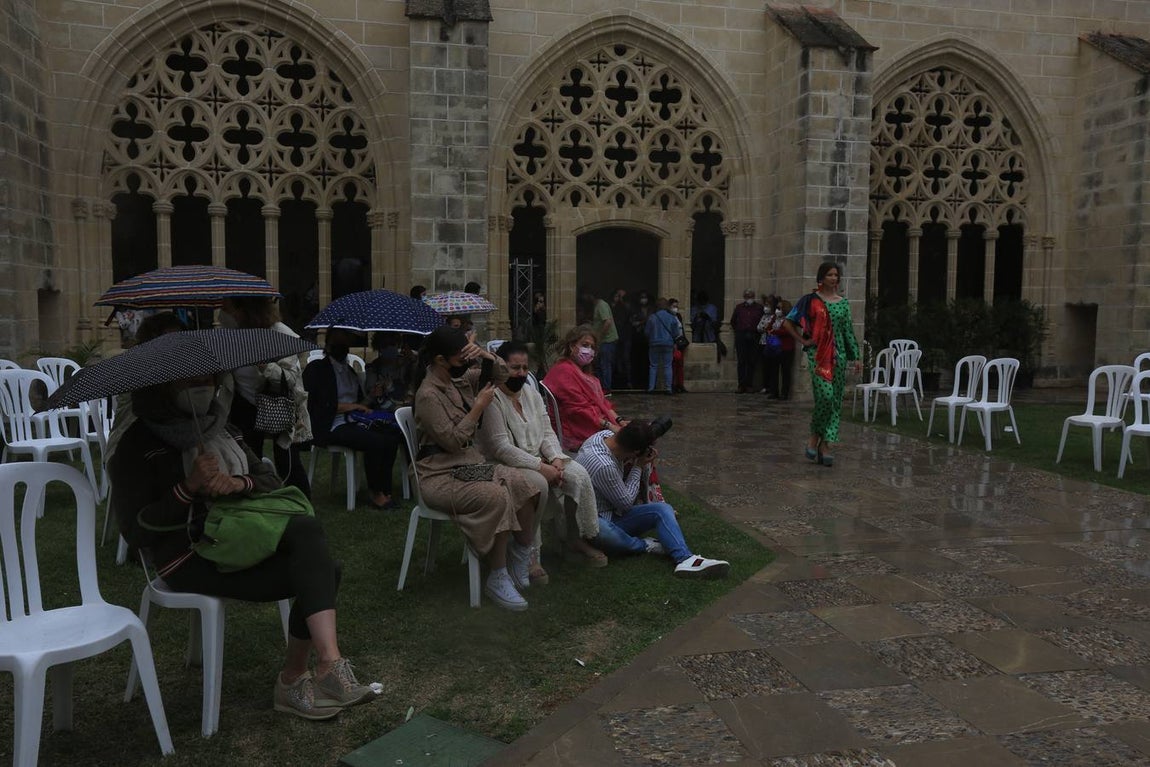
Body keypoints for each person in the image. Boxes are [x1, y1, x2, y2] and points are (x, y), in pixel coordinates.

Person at [110, 372, 374, 721]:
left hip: (240, 536)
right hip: (189, 556)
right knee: (321, 571)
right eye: (188, 382)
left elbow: (268, 479)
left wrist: (238, 483)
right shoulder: (137, 444)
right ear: (161, 387)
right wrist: (188, 488)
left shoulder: (221, 427)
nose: (202, 387)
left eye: (207, 378)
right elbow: (137, 531)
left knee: (312, 545)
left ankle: (323, 665)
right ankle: (297, 679)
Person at [413, 327, 540, 610]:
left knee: (523, 483)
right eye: (461, 357)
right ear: (440, 360)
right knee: (496, 495)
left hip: (469, 466)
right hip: (440, 475)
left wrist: (482, 353)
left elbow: (503, 374)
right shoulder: (428, 395)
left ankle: (519, 555)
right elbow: (453, 441)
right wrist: (478, 408)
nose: (466, 363)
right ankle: (497, 575)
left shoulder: (459, 380)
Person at [477, 341, 606, 574]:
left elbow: (547, 430)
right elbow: (500, 448)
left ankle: (573, 538)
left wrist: (556, 458)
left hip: (540, 458)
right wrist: (540, 466)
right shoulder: (492, 398)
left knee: (577, 475)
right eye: (515, 368)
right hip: (504, 464)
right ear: (502, 367)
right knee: (534, 486)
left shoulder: (529, 391)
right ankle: (530, 553)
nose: (522, 374)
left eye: (525, 368)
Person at [575, 421, 729, 578]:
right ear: (635, 451)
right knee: (606, 532)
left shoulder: (602, 436)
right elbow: (626, 503)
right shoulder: (604, 465)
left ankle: (685, 559)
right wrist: (639, 466)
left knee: (662, 509)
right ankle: (644, 545)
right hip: (591, 519)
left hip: (610, 511)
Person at [220, 296, 312, 496]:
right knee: (247, 457)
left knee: (287, 462)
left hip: (279, 404)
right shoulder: (232, 335)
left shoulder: (280, 334)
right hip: (244, 405)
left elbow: (290, 379)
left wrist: (265, 365)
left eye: (230, 310)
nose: (226, 315)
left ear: (247, 310)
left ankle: (301, 501)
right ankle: (256, 499)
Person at [303, 328, 401, 509]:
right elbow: (320, 405)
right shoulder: (316, 369)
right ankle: (375, 493)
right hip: (330, 425)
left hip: (354, 420)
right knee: (375, 441)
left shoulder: (349, 370)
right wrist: (353, 407)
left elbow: (359, 402)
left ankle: (385, 489)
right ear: (329, 345)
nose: (343, 347)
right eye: (339, 343)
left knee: (391, 437)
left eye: (346, 342)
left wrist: (372, 395)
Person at [784, 262, 861, 467]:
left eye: (836, 275)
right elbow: (788, 322)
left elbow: (847, 331)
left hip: (839, 357)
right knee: (825, 397)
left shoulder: (843, 303)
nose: (834, 278)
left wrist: (856, 357)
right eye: (830, 275)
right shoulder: (810, 301)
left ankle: (825, 444)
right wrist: (803, 341)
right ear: (822, 277)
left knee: (835, 401)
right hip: (818, 356)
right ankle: (813, 437)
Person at [541, 325, 625, 452]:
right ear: (572, 346)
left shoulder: (585, 374)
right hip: (579, 429)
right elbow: (578, 410)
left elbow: (603, 404)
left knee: (640, 435)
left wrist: (620, 421)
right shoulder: (564, 371)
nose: (589, 350)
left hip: (596, 423)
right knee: (634, 444)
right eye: (585, 345)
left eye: (592, 347)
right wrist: (610, 426)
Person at [581, 288, 618, 394]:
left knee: (605, 364)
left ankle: (606, 388)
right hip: (602, 341)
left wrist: (599, 336)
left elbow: (607, 322)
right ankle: (601, 387)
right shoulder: (597, 306)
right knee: (600, 364)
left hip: (607, 340)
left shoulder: (601, 305)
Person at [731, 289, 765, 393]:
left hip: (754, 335)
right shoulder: (739, 308)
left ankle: (749, 384)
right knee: (741, 361)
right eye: (747, 296)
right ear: (744, 297)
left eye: (751, 296)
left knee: (752, 361)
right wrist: (739, 330)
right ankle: (741, 385)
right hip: (741, 335)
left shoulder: (759, 308)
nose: (749, 298)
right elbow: (733, 321)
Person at [762, 299, 796, 399]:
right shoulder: (775, 318)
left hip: (786, 348)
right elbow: (768, 327)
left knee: (785, 371)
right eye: (777, 308)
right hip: (774, 347)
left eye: (779, 308)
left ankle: (784, 393)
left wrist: (775, 331)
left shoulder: (789, 319)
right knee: (773, 370)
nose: (777, 310)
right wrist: (771, 330)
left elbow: (787, 331)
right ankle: (774, 391)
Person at [644, 298, 678, 394]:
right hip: (668, 343)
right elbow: (676, 333)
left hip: (654, 343)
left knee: (653, 366)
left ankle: (651, 388)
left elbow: (647, 332)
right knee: (667, 366)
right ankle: (668, 388)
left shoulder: (652, 317)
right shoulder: (671, 317)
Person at [610, 289, 633, 389]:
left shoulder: (625, 307)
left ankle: (627, 381)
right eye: (617, 296)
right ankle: (619, 381)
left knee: (625, 359)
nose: (618, 298)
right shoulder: (612, 308)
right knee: (616, 359)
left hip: (624, 337)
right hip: (617, 337)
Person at [668, 297, 687, 394]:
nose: (675, 308)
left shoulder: (678, 316)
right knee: (673, 365)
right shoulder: (668, 317)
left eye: (676, 306)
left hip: (680, 343)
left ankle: (680, 384)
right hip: (673, 344)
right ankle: (673, 384)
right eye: (674, 306)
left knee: (680, 365)